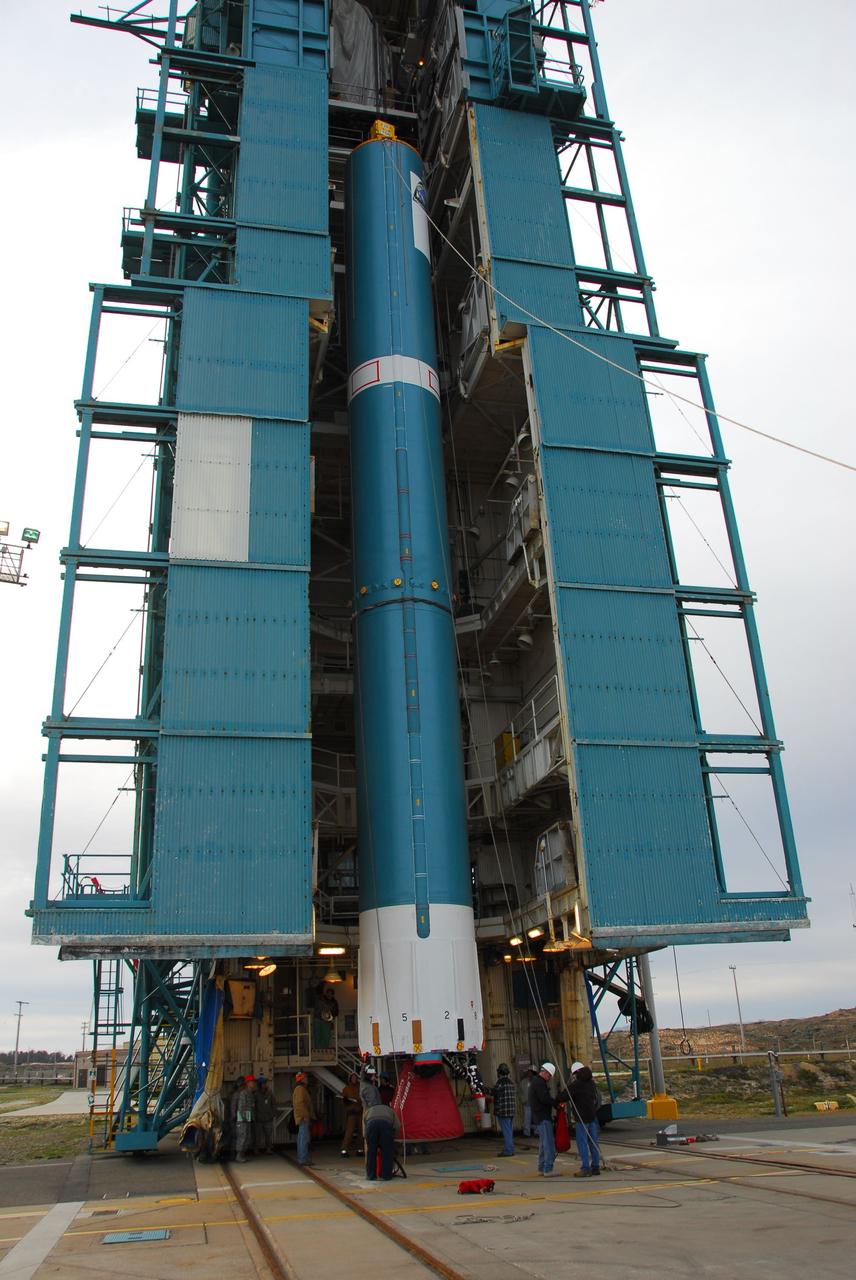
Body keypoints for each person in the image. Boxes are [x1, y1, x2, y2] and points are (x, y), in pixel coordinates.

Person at [568, 1060, 601, 1177]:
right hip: (592, 1117)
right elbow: (597, 1100)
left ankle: (585, 1168)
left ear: (576, 1073)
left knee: (582, 1143)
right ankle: (596, 1167)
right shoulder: (592, 1083)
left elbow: (563, 1095)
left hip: (581, 1119)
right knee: (594, 1142)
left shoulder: (576, 1085)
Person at [529, 1062, 558, 1176]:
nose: (549, 1078)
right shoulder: (540, 1083)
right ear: (545, 1073)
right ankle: (548, 1169)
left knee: (542, 1144)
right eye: (549, 1076)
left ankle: (541, 1167)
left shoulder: (535, 1082)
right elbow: (545, 1099)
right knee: (548, 1144)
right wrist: (556, 1103)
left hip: (538, 1117)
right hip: (543, 1117)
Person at [364, 1100, 400, 1180]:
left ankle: (371, 1175)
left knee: (371, 1152)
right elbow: (397, 1126)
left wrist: (367, 1138)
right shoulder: (390, 1110)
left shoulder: (369, 1110)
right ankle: (386, 1176)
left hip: (371, 1125)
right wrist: (392, 1138)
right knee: (387, 1152)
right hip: (386, 1125)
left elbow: (365, 1125)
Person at [491, 1063, 516, 1156]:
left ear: (499, 1072)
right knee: (509, 1131)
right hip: (511, 1111)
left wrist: (481, 1088)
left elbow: (493, 1092)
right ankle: (510, 1149)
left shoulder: (500, 1083)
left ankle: (508, 1151)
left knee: (506, 1132)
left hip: (503, 1111)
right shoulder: (511, 1082)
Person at [230, 1074, 256, 1163]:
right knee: (242, 1136)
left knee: (247, 1137)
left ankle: (242, 1154)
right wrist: (244, 1118)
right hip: (242, 1119)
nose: (253, 1084)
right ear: (248, 1083)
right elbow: (241, 1107)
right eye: (252, 1082)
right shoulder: (243, 1093)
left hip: (247, 1119)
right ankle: (239, 1155)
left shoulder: (250, 1093)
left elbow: (251, 1107)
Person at [292, 1071, 316, 1166]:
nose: (307, 1079)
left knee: (302, 1138)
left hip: (302, 1117)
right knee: (304, 1138)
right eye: (305, 1078)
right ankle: (303, 1159)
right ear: (302, 1079)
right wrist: (305, 1115)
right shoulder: (300, 1089)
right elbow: (300, 1104)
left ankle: (303, 1158)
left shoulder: (300, 1089)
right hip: (303, 1118)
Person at [341, 1072, 363, 1157]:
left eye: (355, 1077)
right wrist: (347, 1101)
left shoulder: (360, 1088)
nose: (354, 1079)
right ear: (350, 1079)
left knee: (361, 1132)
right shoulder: (346, 1089)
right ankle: (344, 1149)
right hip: (351, 1113)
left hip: (360, 1112)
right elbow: (343, 1101)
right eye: (352, 1078)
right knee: (349, 1132)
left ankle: (360, 1149)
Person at [313, 983, 339, 1051]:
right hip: (318, 1019)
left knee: (326, 1036)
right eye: (328, 993)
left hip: (327, 1020)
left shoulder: (334, 1002)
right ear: (326, 993)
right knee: (317, 1035)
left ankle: (324, 1050)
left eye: (331, 994)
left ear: (332, 994)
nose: (329, 995)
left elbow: (336, 1012)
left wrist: (331, 1017)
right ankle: (318, 1050)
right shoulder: (320, 999)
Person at [254, 1076, 276, 1155]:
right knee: (257, 1136)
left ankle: (268, 1149)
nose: (265, 1084)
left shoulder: (270, 1093)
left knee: (268, 1135)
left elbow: (274, 1104)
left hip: (268, 1118)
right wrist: (255, 1116)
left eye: (265, 1083)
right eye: (263, 1083)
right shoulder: (255, 1094)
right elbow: (253, 1106)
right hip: (258, 1119)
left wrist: (272, 1115)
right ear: (260, 1084)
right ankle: (256, 1150)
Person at [520, 1067, 535, 1137]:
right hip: (527, 1102)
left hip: (535, 1102)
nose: (529, 1074)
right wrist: (523, 1099)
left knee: (536, 1118)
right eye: (528, 1072)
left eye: (531, 1072)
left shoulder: (536, 1081)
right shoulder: (524, 1082)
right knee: (527, 1118)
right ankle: (527, 1132)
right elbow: (520, 1092)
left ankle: (537, 1132)